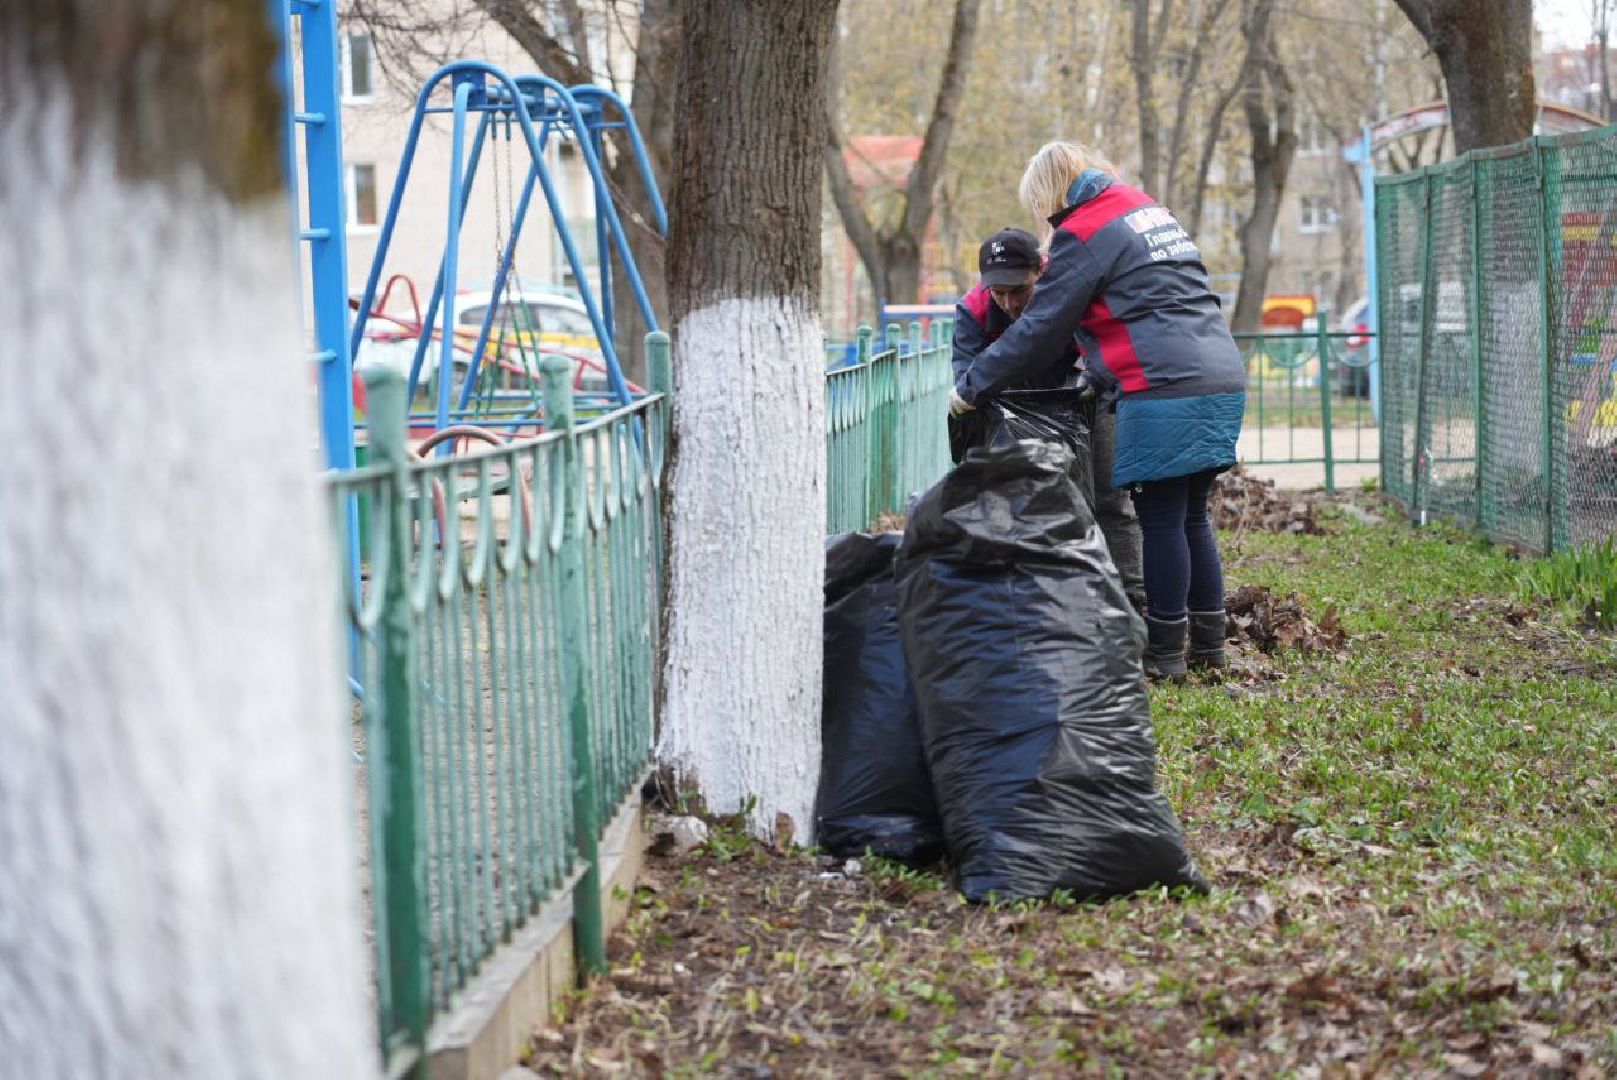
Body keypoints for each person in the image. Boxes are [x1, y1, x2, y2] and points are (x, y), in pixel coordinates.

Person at [951, 142, 1246, 678]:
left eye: (1041, 207)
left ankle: (1163, 658)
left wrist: (972, 386)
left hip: (1163, 382)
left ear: (1050, 193)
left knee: (1158, 518)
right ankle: (1208, 649)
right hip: (1219, 371)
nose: (1045, 220)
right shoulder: (1147, 209)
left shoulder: (1084, 231)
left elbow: (1042, 329)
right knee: (1191, 516)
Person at [951, 227, 1146, 613]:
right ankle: (1035, 606)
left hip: (1087, 405)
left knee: (1109, 498)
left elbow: (1104, 350)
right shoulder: (972, 311)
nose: (1008, 303)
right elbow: (966, 378)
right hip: (1013, 417)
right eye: (998, 292)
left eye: (1019, 290)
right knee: (1018, 508)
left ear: (1041, 272)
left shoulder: (1071, 294)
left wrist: (1089, 378)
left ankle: (1130, 601)